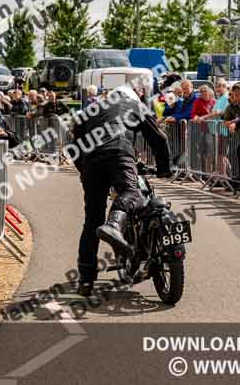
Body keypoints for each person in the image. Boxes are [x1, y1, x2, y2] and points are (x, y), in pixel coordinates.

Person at [70, 83, 172, 297]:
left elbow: (74, 147)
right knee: (132, 194)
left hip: (91, 162)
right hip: (119, 153)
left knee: (93, 220)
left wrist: (83, 171)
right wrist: (164, 170)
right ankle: (115, 224)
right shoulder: (134, 105)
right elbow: (159, 138)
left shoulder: (90, 110)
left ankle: (86, 281)